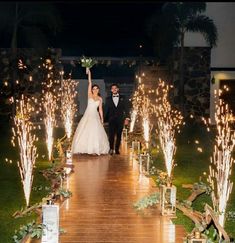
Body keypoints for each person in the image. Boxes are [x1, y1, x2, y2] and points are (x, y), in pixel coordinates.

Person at [71, 68, 110, 155]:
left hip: (95, 116)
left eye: (97, 89)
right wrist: (89, 72)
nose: (95, 90)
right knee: (85, 130)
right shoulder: (90, 95)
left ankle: (95, 149)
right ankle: (83, 148)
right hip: (88, 114)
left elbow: (100, 109)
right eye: (94, 89)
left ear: (98, 90)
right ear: (92, 90)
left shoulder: (100, 99)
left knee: (95, 131)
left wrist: (102, 118)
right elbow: (90, 82)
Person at [104, 83, 129, 155]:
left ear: (118, 89)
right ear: (111, 90)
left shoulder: (123, 98)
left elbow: (126, 108)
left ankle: (117, 149)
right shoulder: (108, 99)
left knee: (119, 135)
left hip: (120, 119)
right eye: (112, 88)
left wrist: (127, 118)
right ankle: (111, 148)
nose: (114, 89)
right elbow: (106, 110)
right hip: (111, 120)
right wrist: (102, 119)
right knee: (111, 135)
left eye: (115, 88)